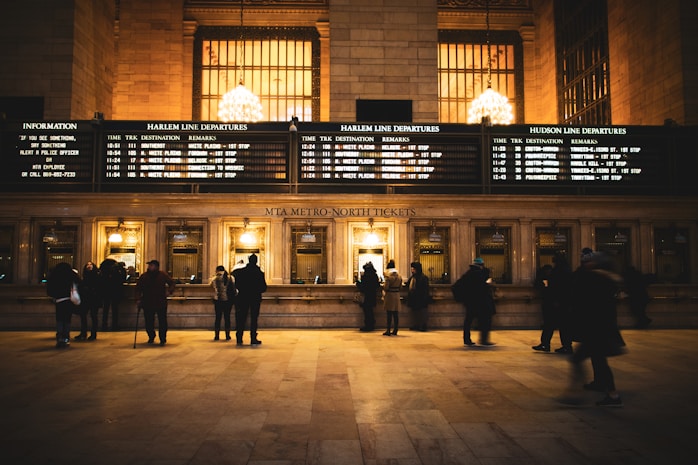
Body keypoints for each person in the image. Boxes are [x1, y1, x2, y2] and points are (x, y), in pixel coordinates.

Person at [564, 250, 626, 407]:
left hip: (595, 330)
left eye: (589, 261)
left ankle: (576, 394)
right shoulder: (608, 280)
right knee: (599, 361)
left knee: (579, 359)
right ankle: (612, 395)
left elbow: (584, 303)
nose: (586, 263)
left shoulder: (595, 279)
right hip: (601, 329)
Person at [532, 253, 573, 353]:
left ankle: (547, 344)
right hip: (561, 302)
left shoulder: (559, 271)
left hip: (555, 302)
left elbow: (556, 287)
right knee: (560, 326)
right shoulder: (566, 270)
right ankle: (564, 345)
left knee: (551, 325)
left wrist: (555, 300)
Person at [135, 259, 175, 346]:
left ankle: (162, 338)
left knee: (162, 321)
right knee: (149, 321)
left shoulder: (162, 275)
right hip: (147, 301)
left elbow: (172, 283)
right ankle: (151, 336)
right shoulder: (144, 276)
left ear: (156, 267)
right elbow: (138, 288)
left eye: (151, 265)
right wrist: (138, 299)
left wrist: (169, 291)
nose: (149, 267)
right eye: (149, 265)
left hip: (160, 301)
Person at [232, 254, 267, 346]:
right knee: (254, 319)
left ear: (248, 260)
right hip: (255, 298)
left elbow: (236, 284)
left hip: (243, 297)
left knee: (241, 318)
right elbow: (263, 288)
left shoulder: (240, 272)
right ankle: (253, 338)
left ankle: (239, 338)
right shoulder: (259, 273)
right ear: (256, 261)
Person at [460, 257, 496, 346]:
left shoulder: (468, 274)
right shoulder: (481, 274)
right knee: (485, 319)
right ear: (481, 265)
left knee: (468, 320)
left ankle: (467, 339)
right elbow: (484, 286)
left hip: (470, 301)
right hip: (481, 301)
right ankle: (484, 339)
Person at [46, 262, 81, 348]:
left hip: (59, 300)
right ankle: (66, 337)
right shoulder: (70, 274)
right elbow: (79, 281)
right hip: (68, 299)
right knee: (67, 319)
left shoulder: (54, 275)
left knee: (59, 319)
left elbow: (49, 288)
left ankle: (59, 337)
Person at [76, 261, 101, 341]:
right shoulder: (86, 276)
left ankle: (93, 333)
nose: (89, 266)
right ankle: (84, 332)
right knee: (84, 315)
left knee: (93, 316)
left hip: (93, 298)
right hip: (87, 298)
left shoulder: (96, 276)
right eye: (88, 264)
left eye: (90, 264)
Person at [100, 259, 127, 331]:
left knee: (106, 309)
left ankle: (104, 326)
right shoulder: (117, 270)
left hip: (106, 292)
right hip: (115, 291)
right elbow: (123, 279)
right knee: (115, 309)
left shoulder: (104, 271)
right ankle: (114, 325)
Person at [210, 265, 234, 341]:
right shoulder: (230, 277)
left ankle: (217, 336)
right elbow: (234, 287)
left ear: (217, 270)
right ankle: (227, 335)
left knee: (218, 318)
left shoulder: (214, 278)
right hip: (228, 300)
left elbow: (211, 286)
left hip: (218, 300)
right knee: (227, 317)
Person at [406, 261, 430, 332]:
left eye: (413, 269)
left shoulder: (423, 278)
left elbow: (425, 289)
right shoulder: (413, 278)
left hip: (420, 298)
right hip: (415, 298)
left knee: (421, 313)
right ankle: (417, 325)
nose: (412, 270)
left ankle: (422, 325)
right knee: (416, 313)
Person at [356, 261, 380, 332]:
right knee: (370, 311)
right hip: (372, 295)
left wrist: (357, 282)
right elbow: (377, 285)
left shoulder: (365, 276)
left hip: (366, 296)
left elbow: (362, 287)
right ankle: (371, 325)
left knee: (367, 311)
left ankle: (368, 325)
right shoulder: (375, 275)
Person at [382, 260, 402, 336]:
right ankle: (395, 330)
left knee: (389, 314)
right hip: (396, 295)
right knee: (396, 314)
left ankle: (388, 330)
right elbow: (400, 287)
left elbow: (386, 287)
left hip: (390, 296)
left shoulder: (388, 277)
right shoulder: (399, 276)